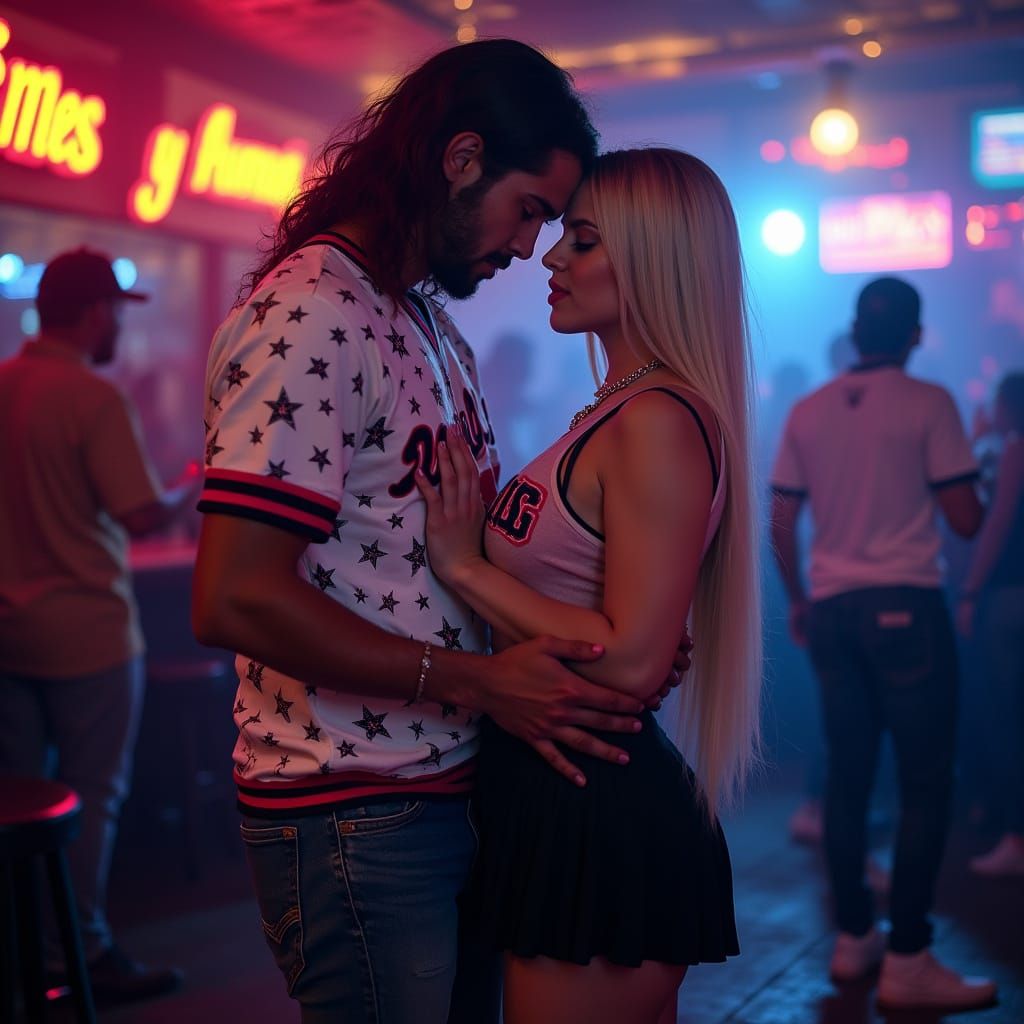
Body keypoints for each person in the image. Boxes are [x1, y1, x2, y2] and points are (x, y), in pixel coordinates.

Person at [190, 41, 690, 1024]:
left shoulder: (417, 315)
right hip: (353, 802)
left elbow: (419, 561)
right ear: (461, 160)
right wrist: (476, 680)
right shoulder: (312, 310)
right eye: (530, 210)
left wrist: (599, 640)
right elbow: (233, 595)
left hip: (437, 786)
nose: (530, 247)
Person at [415, 147, 761, 1024]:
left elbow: (635, 660)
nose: (551, 258)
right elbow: (625, 633)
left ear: (657, 260)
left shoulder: (656, 418)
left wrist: (464, 565)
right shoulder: (622, 407)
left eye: (585, 240)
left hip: (595, 806)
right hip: (558, 793)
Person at [769, 277, 997, 1010]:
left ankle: (854, 937)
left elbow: (780, 520)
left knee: (847, 776)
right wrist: (980, 458)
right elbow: (966, 519)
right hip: (907, 606)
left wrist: (799, 598)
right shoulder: (930, 403)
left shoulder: (808, 410)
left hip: (834, 610)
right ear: (915, 335)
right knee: (926, 782)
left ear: (857, 329)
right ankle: (909, 957)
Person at [0, 247, 199, 1004]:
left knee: (21, 797)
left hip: (7, 632)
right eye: (116, 309)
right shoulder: (92, 397)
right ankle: (78, 955)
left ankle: (22, 955)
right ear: (91, 313)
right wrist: (191, 486)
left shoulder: (5, 383)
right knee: (91, 797)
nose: (120, 324)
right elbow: (140, 515)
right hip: (87, 636)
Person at [957, 371, 1024, 877]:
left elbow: (994, 524)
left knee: (1005, 716)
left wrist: (970, 591)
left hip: (1007, 596)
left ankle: (1015, 837)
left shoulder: (1016, 449)